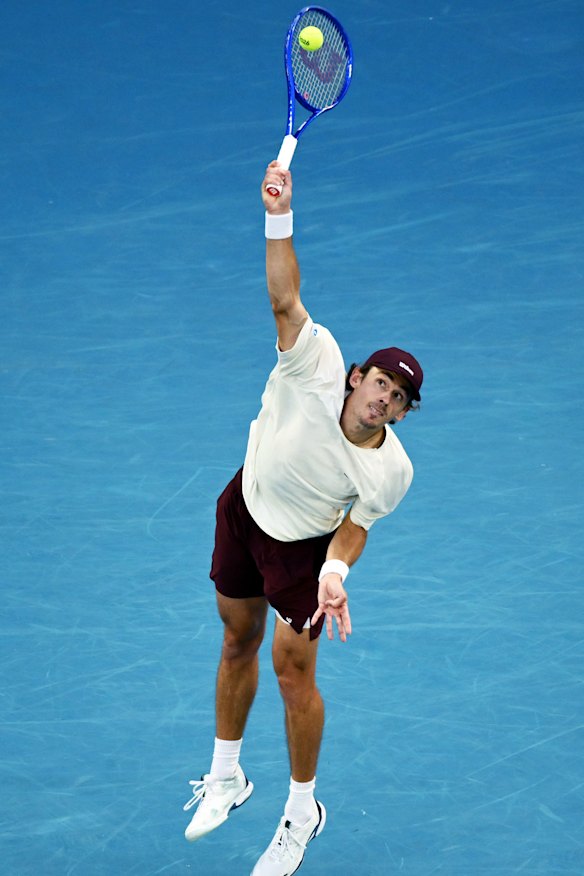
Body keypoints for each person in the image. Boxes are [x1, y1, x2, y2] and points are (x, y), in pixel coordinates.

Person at [182, 160, 423, 875]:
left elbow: (359, 520)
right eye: (380, 382)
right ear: (357, 377)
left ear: (404, 414)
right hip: (243, 507)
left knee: (293, 676)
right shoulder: (315, 359)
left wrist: (336, 569)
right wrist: (278, 213)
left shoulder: (392, 469)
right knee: (235, 639)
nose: (384, 399)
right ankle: (227, 776)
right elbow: (286, 297)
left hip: (300, 554)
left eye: (399, 399)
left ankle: (301, 810)